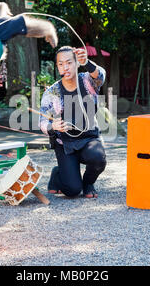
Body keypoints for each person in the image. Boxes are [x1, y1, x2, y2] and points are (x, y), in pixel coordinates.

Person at [39, 45, 107, 198]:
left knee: (98, 159)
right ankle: (58, 174)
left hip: (89, 138)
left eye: (69, 62)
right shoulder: (52, 92)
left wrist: (87, 62)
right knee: (72, 190)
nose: (65, 67)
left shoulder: (87, 81)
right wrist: (52, 126)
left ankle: (88, 183)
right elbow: (42, 122)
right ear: (57, 67)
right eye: (61, 64)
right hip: (65, 143)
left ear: (77, 63)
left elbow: (101, 75)